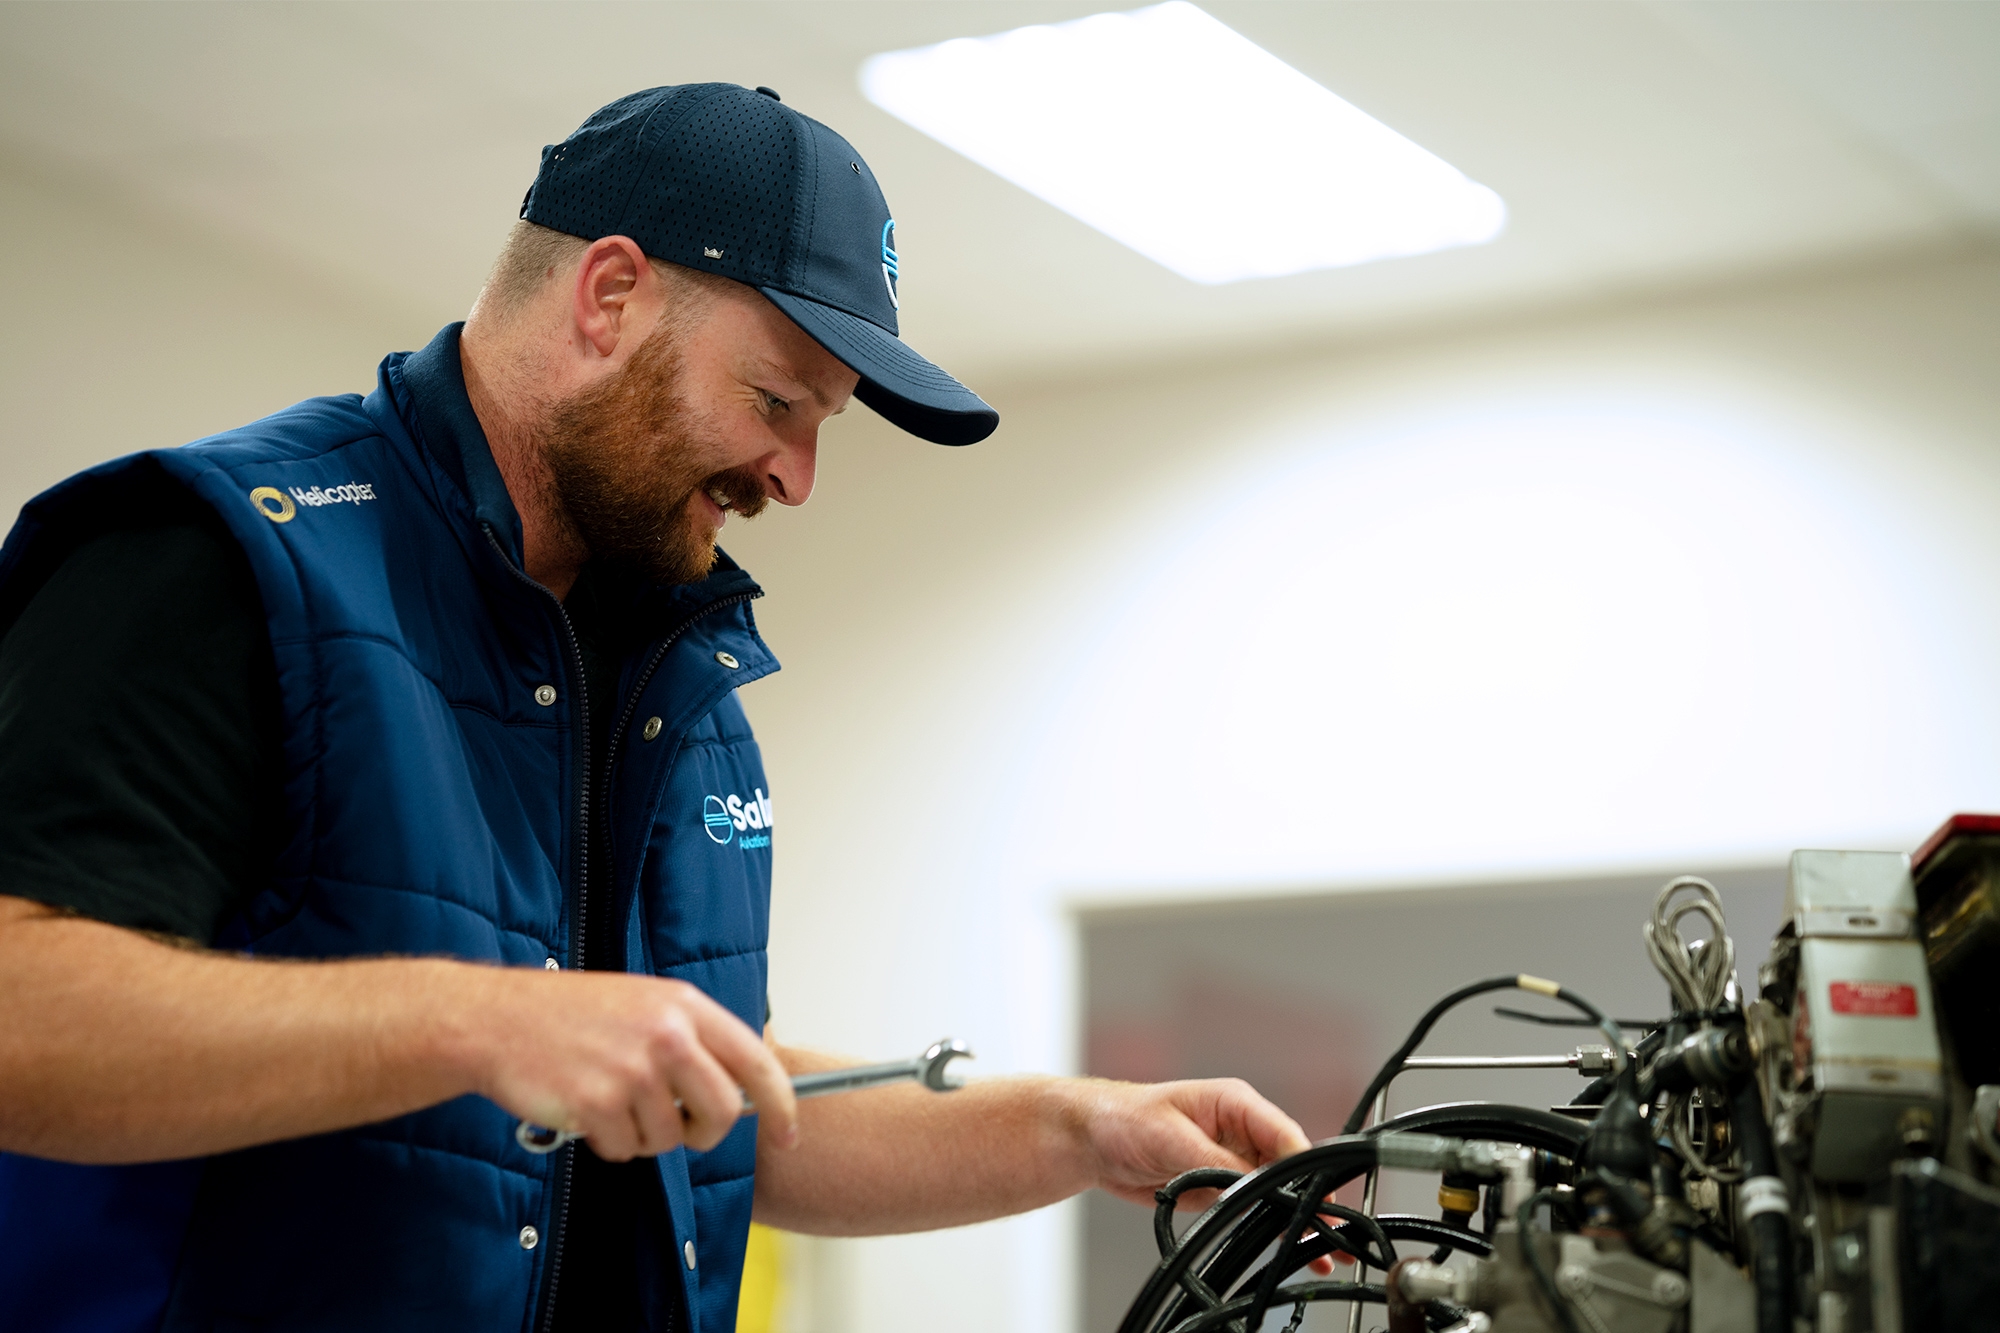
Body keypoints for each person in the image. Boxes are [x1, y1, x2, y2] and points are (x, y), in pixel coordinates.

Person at [0, 84, 1315, 1333]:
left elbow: (710, 1106)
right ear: (610, 294)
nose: (796, 476)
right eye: (776, 401)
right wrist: (481, 1018)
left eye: (824, 424)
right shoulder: (220, 558)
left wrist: (1075, 1126)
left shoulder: (671, 672)